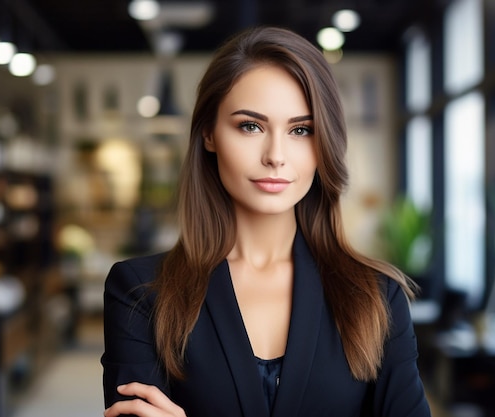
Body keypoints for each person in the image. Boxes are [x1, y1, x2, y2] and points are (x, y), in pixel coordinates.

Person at [101, 26, 431, 417]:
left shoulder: (377, 297)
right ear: (209, 133)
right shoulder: (141, 293)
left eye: (300, 130)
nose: (275, 155)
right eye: (251, 126)